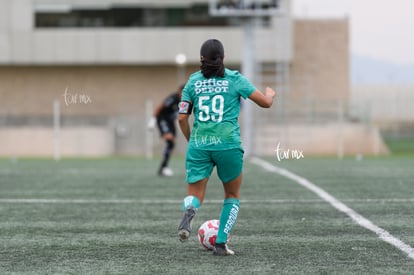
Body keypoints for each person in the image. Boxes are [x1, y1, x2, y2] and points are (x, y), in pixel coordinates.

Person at [177, 39, 276, 256]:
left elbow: (182, 118)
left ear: (201, 58)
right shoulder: (235, 79)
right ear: (223, 57)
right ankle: (221, 244)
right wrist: (270, 93)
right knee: (232, 194)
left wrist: (191, 140)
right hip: (228, 145)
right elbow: (265, 103)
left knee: (195, 194)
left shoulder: (192, 82)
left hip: (200, 144)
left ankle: (190, 209)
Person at [148, 85, 183, 176]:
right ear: (179, 91)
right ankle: (163, 168)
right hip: (163, 119)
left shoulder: (185, 100)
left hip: (171, 122)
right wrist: (153, 120)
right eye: (182, 92)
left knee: (171, 143)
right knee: (169, 139)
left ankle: (163, 168)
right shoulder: (173, 98)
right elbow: (159, 107)